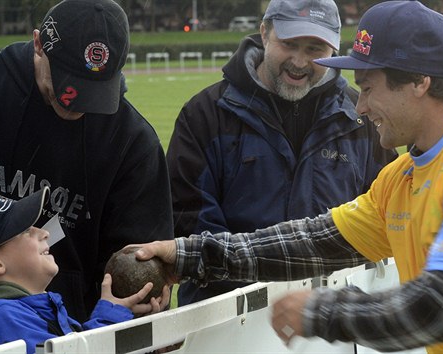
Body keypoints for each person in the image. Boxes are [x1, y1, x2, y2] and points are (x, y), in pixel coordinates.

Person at [135, 1, 443, 353]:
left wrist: (320, 312)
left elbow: (439, 307)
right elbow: (318, 241)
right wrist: (191, 256)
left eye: (369, 88)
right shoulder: (404, 175)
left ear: (419, 83)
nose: (359, 107)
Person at [0, 0, 173, 352]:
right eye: (68, 88)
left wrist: (146, 311)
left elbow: (136, 259)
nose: (76, 106)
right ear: (39, 44)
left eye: (93, 94)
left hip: (68, 334)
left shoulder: (133, 143)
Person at [166, 0, 397, 306]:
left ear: (335, 48)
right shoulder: (205, 114)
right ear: (264, 34)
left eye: (315, 48)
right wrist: (265, 291)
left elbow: (385, 218)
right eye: (289, 44)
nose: (299, 62)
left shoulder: (362, 118)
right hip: (227, 317)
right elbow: (188, 219)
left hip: (332, 318)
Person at [0, 187, 169, 354]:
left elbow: (74, 346)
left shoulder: (31, 313)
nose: (44, 233)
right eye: (26, 231)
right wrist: (109, 318)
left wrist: (131, 321)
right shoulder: (1, 319)